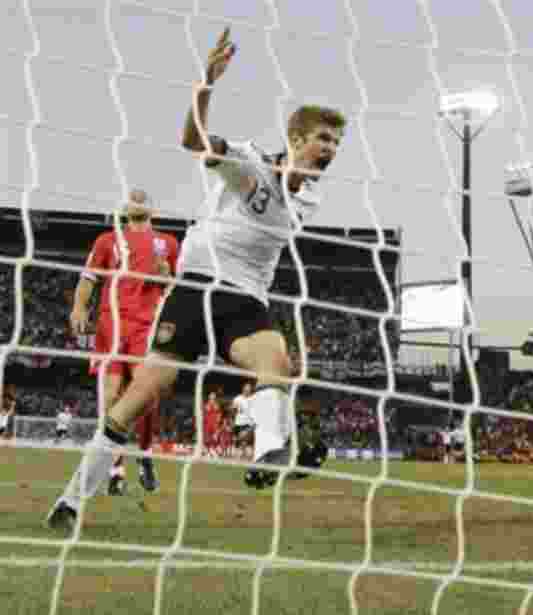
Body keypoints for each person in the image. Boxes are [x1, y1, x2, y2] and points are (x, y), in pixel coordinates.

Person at [47, 26, 344, 532]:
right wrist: (206, 83)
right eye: (323, 138)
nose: (331, 148)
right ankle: (72, 499)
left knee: (276, 361)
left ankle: (269, 454)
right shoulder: (248, 163)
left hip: (245, 297)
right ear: (296, 139)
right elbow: (194, 141)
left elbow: (283, 190)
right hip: (195, 288)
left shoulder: (309, 196)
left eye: (337, 141)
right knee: (137, 398)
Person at [71, 189, 179, 495]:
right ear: (124, 207)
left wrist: (167, 276)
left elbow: (177, 288)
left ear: (153, 210)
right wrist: (79, 307)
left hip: (148, 325)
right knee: (110, 393)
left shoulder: (168, 243)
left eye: (143, 198)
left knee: (144, 395)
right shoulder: (107, 240)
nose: (137, 198)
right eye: (132, 197)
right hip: (110, 324)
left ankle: (144, 455)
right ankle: (114, 468)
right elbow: (88, 279)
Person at [231, 382, 255, 458]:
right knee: (240, 441)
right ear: (243, 389)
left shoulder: (253, 399)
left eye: (249, 388)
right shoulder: (237, 399)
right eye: (246, 388)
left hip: (248, 423)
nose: (247, 390)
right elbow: (233, 410)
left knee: (244, 440)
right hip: (238, 423)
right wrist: (232, 419)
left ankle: (242, 454)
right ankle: (240, 454)